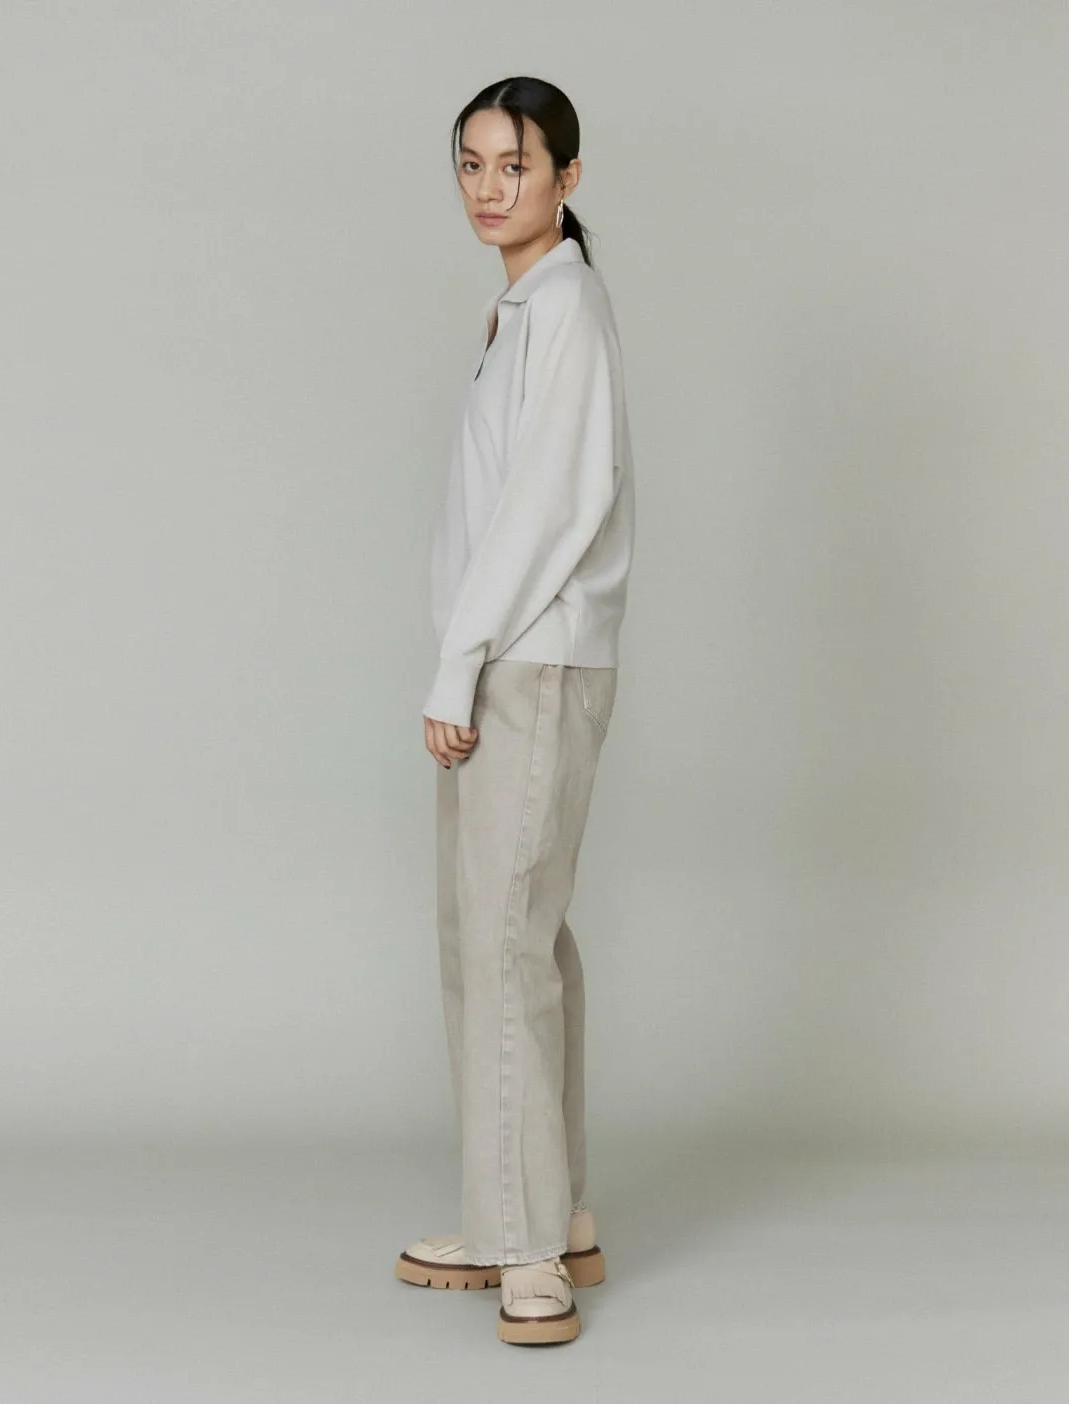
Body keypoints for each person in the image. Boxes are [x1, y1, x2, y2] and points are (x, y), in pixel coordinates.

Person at [393, 76, 635, 1346]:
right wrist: (463, 656)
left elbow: (550, 507)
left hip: (528, 663)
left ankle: (527, 1250)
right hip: (507, 660)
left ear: (567, 178)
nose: (490, 189)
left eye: (517, 166)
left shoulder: (567, 308)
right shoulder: (525, 306)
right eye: (472, 165)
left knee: (503, 946)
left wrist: (461, 664)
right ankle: (541, 1213)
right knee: (507, 941)